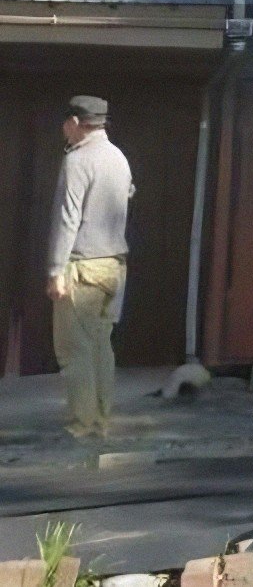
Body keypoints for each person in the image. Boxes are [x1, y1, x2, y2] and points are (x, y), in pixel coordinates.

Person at [45, 95, 132, 438]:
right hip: (115, 264)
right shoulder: (118, 157)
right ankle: (101, 417)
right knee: (100, 345)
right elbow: (127, 195)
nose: (64, 130)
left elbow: (68, 218)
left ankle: (83, 424)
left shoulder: (78, 160)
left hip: (83, 265)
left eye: (66, 124)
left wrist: (55, 270)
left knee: (74, 350)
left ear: (75, 123)